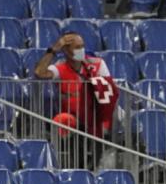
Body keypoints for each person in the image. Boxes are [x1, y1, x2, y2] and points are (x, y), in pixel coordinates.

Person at [33, 33, 119, 169]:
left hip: (95, 114)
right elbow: (39, 72)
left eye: (82, 46)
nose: (82, 50)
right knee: (64, 121)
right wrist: (53, 50)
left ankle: (95, 166)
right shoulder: (60, 67)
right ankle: (77, 168)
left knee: (110, 121)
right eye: (77, 47)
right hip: (74, 118)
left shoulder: (97, 64)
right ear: (66, 51)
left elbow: (108, 91)